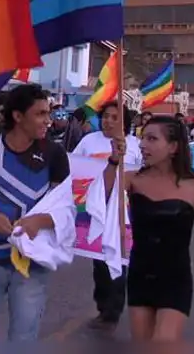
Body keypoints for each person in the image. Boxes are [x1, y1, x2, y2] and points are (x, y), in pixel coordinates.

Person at [0, 84, 70, 341]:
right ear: (18, 116)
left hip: (32, 260)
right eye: (40, 113)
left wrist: (37, 221)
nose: (48, 120)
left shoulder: (55, 154)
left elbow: (66, 212)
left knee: (23, 338)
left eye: (49, 113)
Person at [100, 115, 194, 340]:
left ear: (173, 146)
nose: (143, 145)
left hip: (175, 278)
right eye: (143, 138)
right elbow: (100, 198)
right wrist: (114, 160)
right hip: (139, 275)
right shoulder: (132, 179)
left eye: (152, 139)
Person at [72, 101, 141, 332]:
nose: (108, 121)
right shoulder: (88, 142)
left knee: (119, 260)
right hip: (94, 211)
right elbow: (75, 170)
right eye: (105, 116)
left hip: (124, 213)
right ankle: (103, 306)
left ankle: (113, 312)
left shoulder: (135, 145)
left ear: (124, 123)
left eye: (114, 117)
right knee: (99, 263)